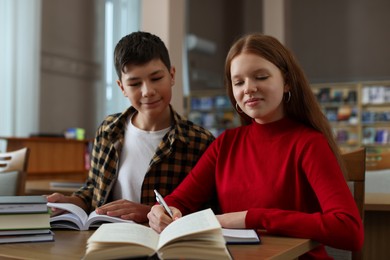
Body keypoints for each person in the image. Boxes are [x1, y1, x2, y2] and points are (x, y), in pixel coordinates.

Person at [147, 33, 364, 258]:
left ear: (287, 81)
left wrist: (250, 218)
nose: (248, 88)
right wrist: (161, 210)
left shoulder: (309, 143)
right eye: (238, 82)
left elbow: (349, 230)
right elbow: (179, 200)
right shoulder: (226, 144)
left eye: (260, 77)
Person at [47, 31, 215, 224]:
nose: (147, 91)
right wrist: (70, 202)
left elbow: (207, 211)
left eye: (156, 78)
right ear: (122, 88)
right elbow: (94, 189)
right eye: (135, 83)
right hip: (108, 239)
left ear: (172, 75)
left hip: (166, 246)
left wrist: (149, 213)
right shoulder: (108, 130)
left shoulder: (199, 141)